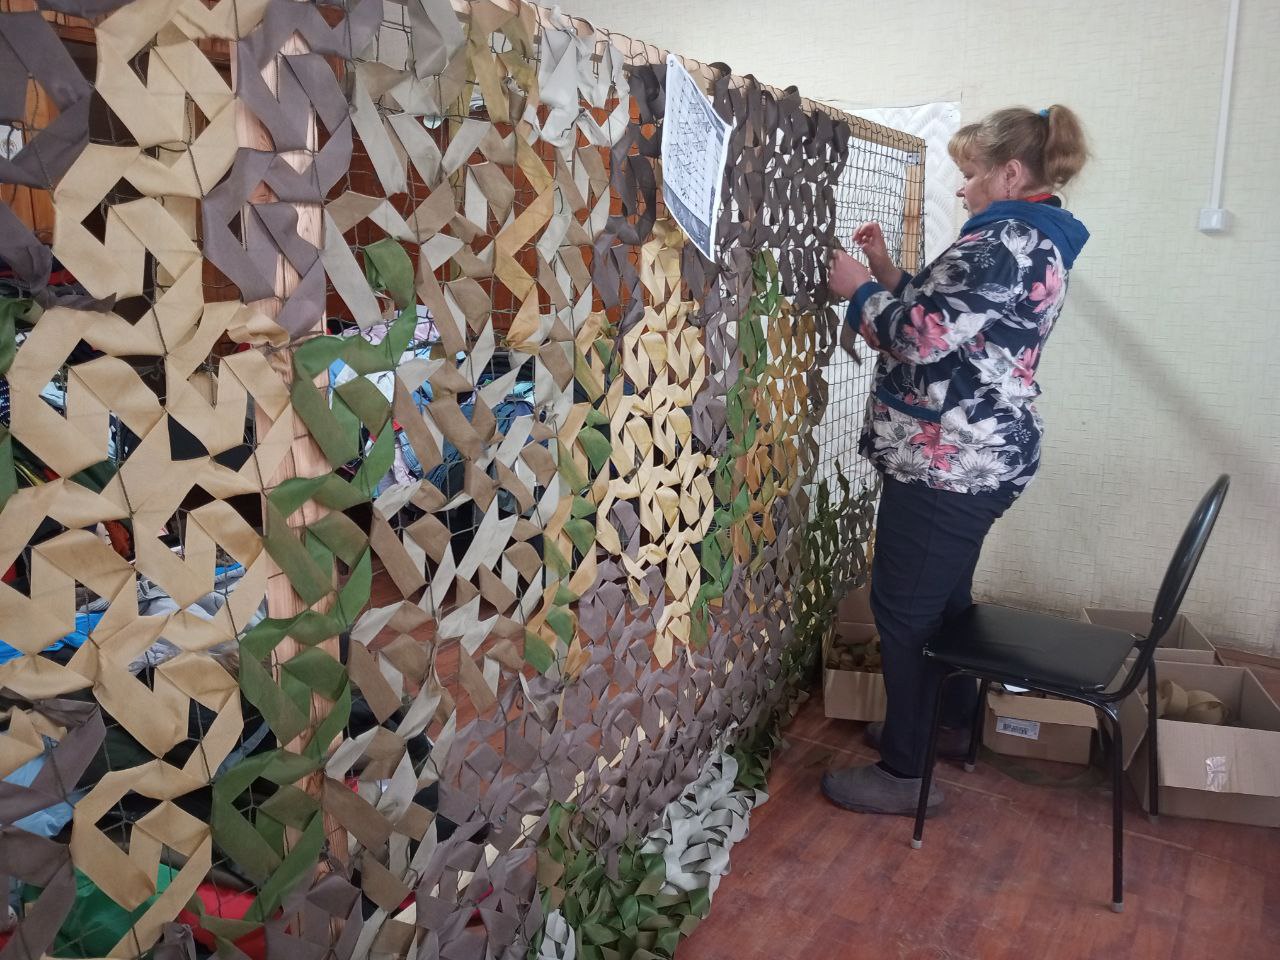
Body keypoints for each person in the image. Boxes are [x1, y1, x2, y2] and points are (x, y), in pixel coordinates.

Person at [821, 105, 1091, 816]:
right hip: (976, 455)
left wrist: (857, 290)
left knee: (904, 610)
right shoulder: (1033, 236)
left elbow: (918, 337)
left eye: (971, 174)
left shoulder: (1002, 240)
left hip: (949, 463)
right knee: (940, 601)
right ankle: (944, 722)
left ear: (1010, 173)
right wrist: (887, 272)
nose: (963, 187)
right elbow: (958, 324)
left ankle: (906, 772)